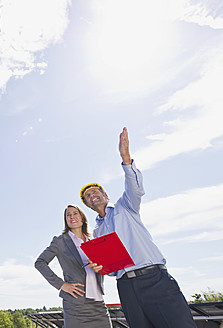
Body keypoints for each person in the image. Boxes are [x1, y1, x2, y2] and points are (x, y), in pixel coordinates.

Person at [80, 127, 196, 328]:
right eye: (88, 196)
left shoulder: (126, 206)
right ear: (88, 205)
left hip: (154, 279)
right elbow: (111, 268)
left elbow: (135, 187)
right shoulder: (97, 233)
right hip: (126, 287)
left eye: (96, 191)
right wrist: (101, 267)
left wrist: (126, 158)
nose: (93, 195)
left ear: (105, 194)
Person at [35, 205, 112, 328]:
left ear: (82, 218)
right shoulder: (60, 241)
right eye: (68, 215)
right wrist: (61, 284)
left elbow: (105, 267)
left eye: (75, 213)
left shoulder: (94, 240)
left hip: (98, 303)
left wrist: (101, 267)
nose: (72, 217)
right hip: (75, 305)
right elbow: (40, 262)